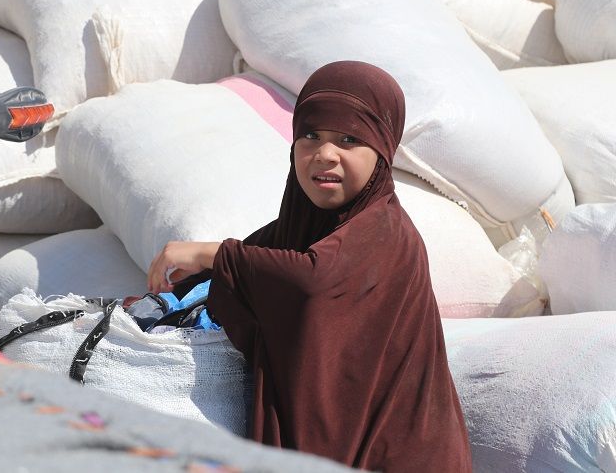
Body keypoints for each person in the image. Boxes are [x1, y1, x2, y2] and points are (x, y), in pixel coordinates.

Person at [146, 61, 472, 472]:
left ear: (382, 151)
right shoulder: (297, 230)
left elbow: (311, 283)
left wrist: (212, 253)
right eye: (310, 136)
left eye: (350, 139)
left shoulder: (385, 231)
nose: (324, 155)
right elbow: (241, 278)